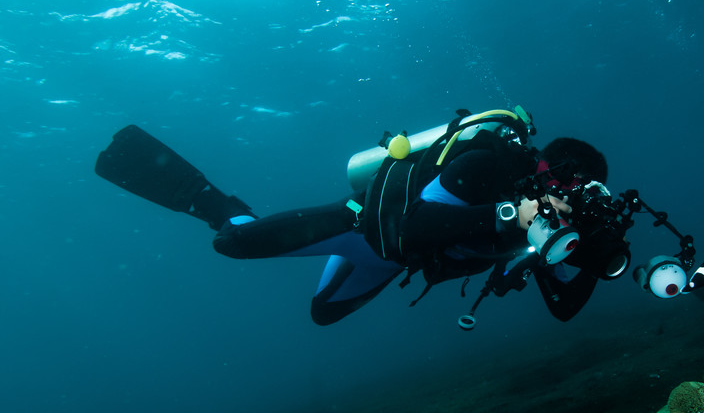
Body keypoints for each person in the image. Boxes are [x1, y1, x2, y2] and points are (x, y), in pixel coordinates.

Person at [95, 110, 609, 326]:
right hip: (362, 227)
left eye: (583, 194)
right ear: (545, 170)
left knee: (323, 314)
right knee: (230, 242)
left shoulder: (553, 227)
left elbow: (563, 307)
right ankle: (211, 201)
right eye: (567, 185)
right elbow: (413, 226)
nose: (568, 201)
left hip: (394, 261)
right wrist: (508, 213)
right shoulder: (485, 167)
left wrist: (599, 252)